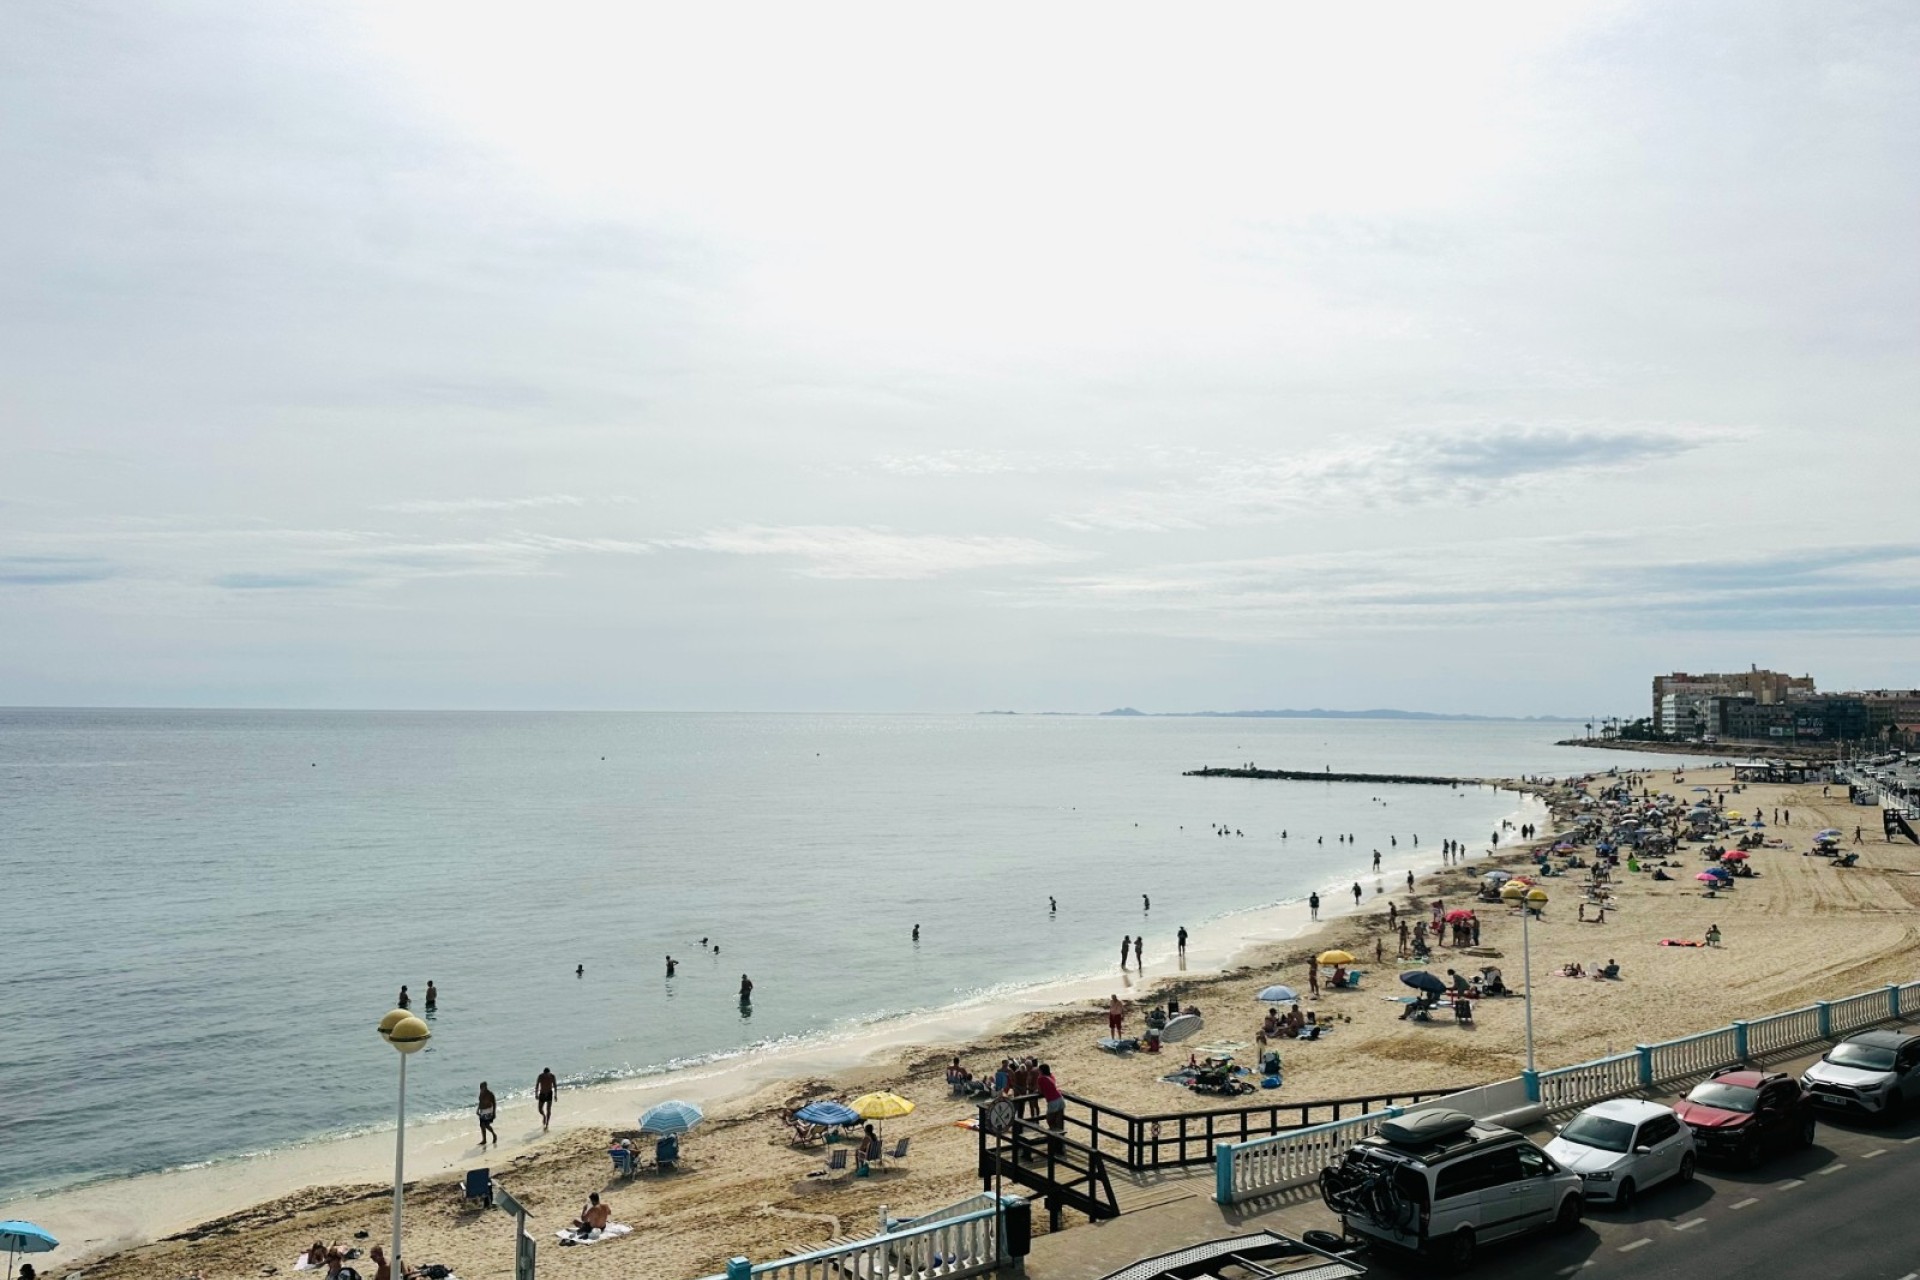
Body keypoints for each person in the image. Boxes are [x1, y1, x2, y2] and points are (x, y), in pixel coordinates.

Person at [536, 1066, 557, 1131]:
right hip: (542, 1094)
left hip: (549, 1094)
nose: (546, 1076)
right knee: (540, 1109)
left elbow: (555, 1085)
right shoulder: (540, 1076)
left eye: (547, 1075)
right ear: (543, 1073)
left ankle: (547, 1124)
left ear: (549, 1073)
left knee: (548, 1109)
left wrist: (555, 1095)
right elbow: (537, 1085)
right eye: (545, 1075)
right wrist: (536, 1094)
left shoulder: (552, 1076)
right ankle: (544, 1116)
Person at [477, 1082, 498, 1146]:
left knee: (486, 1125)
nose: (480, 1089)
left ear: (485, 1087)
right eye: (480, 1087)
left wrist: (494, 1113)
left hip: (488, 1111)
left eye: (482, 1087)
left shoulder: (490, 1094)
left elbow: (494, 1103)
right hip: (482, 1111)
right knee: (481, 1125)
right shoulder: (481, 1093)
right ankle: (484, 1140)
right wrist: (478, 1109)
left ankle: (494, 1134)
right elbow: (480, 1102)